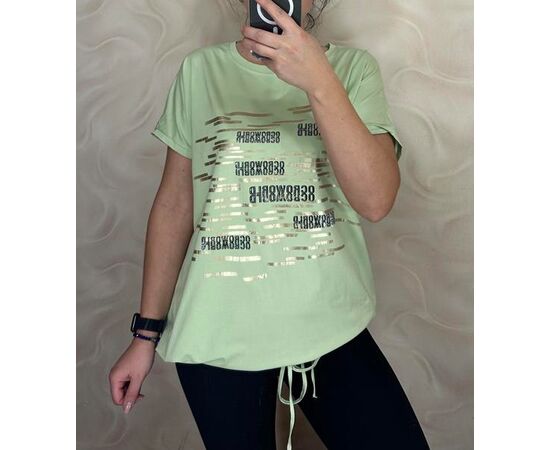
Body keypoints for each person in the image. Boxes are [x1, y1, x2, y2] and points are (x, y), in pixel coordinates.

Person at [109, 0, 431, 449]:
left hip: (330, 321)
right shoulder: (200, 71)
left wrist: (319, 81)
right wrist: (145, 334)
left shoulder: (353, 69)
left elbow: (376, 201)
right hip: (218, 330)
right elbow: (174, 205)